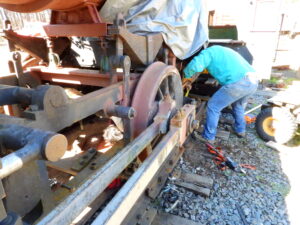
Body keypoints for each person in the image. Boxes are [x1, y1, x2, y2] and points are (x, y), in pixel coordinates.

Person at [183, 45, 258, 144]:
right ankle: (240, 130)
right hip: (253, 80)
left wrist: (186, 77)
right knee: (238, 105)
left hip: (239, 83)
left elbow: (195, 65)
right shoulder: (221, 50)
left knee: (213, 106)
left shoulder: (207, 52)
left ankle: (208, 137)